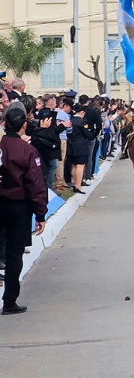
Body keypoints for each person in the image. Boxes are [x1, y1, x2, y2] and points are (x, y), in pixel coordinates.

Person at [0, 106, 48, 315]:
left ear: (4, 123)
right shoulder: (27, 150)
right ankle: (9, 301)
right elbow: (36, 184)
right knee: (13, 254)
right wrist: (40, 214)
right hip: (18, 207)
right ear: (24, 125)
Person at [67, 104, 93, 194]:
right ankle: (78, 185)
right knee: (80, 166)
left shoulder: (70, 120)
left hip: (71, 145)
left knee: (74, 165)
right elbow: (87, 134)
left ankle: (74, 183)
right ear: (82, 112)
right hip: (81, 146)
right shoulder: (82, 122)